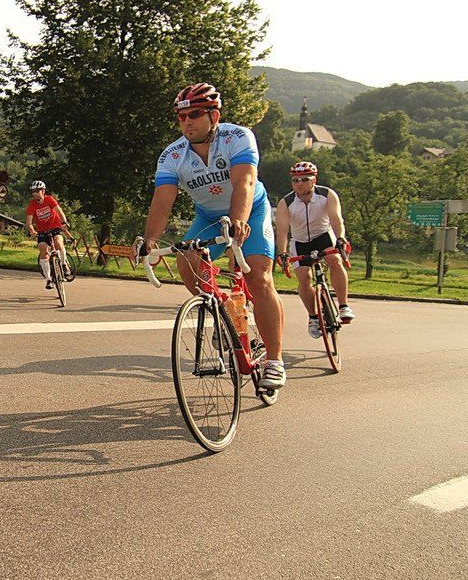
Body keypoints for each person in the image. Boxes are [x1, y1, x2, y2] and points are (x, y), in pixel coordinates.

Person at [142, 82, 286, 390]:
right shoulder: (172, 155)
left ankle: (274, 360)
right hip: (209, 217)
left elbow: (245, 182)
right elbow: (163, 200)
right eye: (181, 117)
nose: (187, 122)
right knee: (186, 262)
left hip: (251, 210)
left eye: (195, 114)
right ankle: (227, 315)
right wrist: (149, 239)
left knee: (259, 278)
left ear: (214, 116)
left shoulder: (238, 137)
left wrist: (238, 221)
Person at [275, 161, 354, 337]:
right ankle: (313, 317)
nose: (299, 184)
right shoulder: (286, 203)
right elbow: (282, 231)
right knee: (304, 278)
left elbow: (336, 219)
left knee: (335, 260)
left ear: (314, 180)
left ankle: (343, 306)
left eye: (305, 179)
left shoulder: (326, 195)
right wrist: (283, 252)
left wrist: (340, 238)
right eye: (295, 180)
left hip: (323, 236)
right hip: (300, 241)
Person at [24, 180, 71, 289]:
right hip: (42, 231)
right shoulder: (32, 205)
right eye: (33, 191)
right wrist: (32, 231)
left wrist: (64, 222)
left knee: (58, 243)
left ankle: (64, 264)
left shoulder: (50, 199)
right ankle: (49, 279)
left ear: (43, 191)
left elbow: (60, 212)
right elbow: (29, 222)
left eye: (37, 191)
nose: (35, 193)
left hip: (55, 227)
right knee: (43, 249)